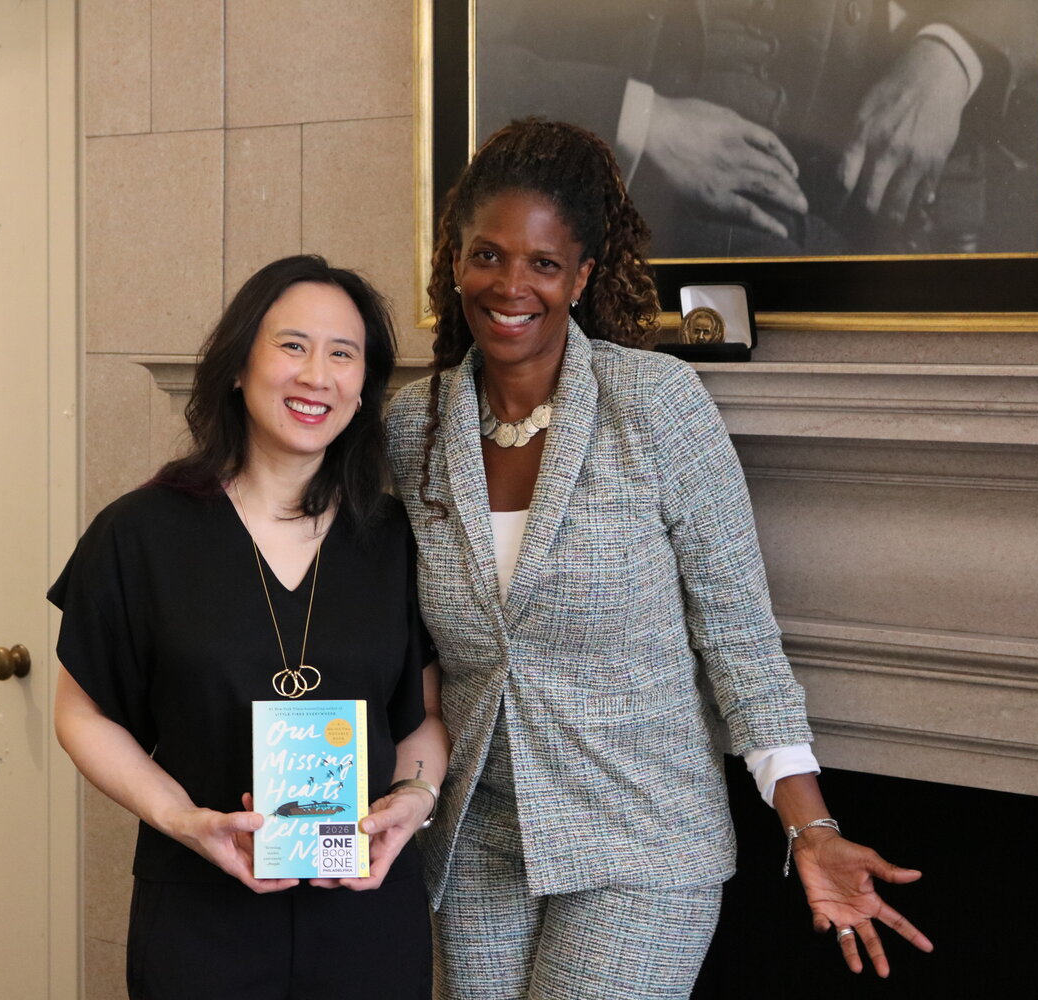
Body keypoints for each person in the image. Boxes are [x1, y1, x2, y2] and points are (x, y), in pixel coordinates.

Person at [386, 120, 932, 998]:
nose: (511, 285)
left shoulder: (656, 405)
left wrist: (811, 827)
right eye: (488, 256)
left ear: (584, 276)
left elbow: (741, 640)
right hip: (478, 838)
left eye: (543, 264)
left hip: (640, 841)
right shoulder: (412, 427)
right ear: (455, 260)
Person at [51, 255, 447, 999]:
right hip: (201, 912)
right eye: (292, 346)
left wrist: (416, 799)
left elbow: (424, 715)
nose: (316, 375)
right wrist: (186, 820)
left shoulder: (394, 538)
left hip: (367, 914)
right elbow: (81, 712)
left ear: (363, 388)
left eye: (343, 354)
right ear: (239, 364)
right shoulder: (140, 532)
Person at [475, 0, 1038, 257]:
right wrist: (643, 121)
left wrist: (952, 52)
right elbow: (457, 62)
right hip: (635, 245)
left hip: (855, 241)